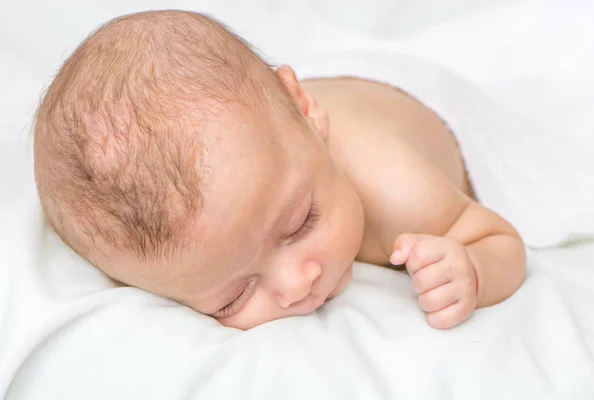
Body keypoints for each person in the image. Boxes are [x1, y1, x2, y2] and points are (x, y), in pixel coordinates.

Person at [33, 10, 526, 330]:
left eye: (300, 223)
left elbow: (500, 241)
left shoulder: (397, 191)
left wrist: (474, 271)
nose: (296, 285)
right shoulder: (272, 164)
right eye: (234, 298)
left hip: (416, 97)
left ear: (305, 111)